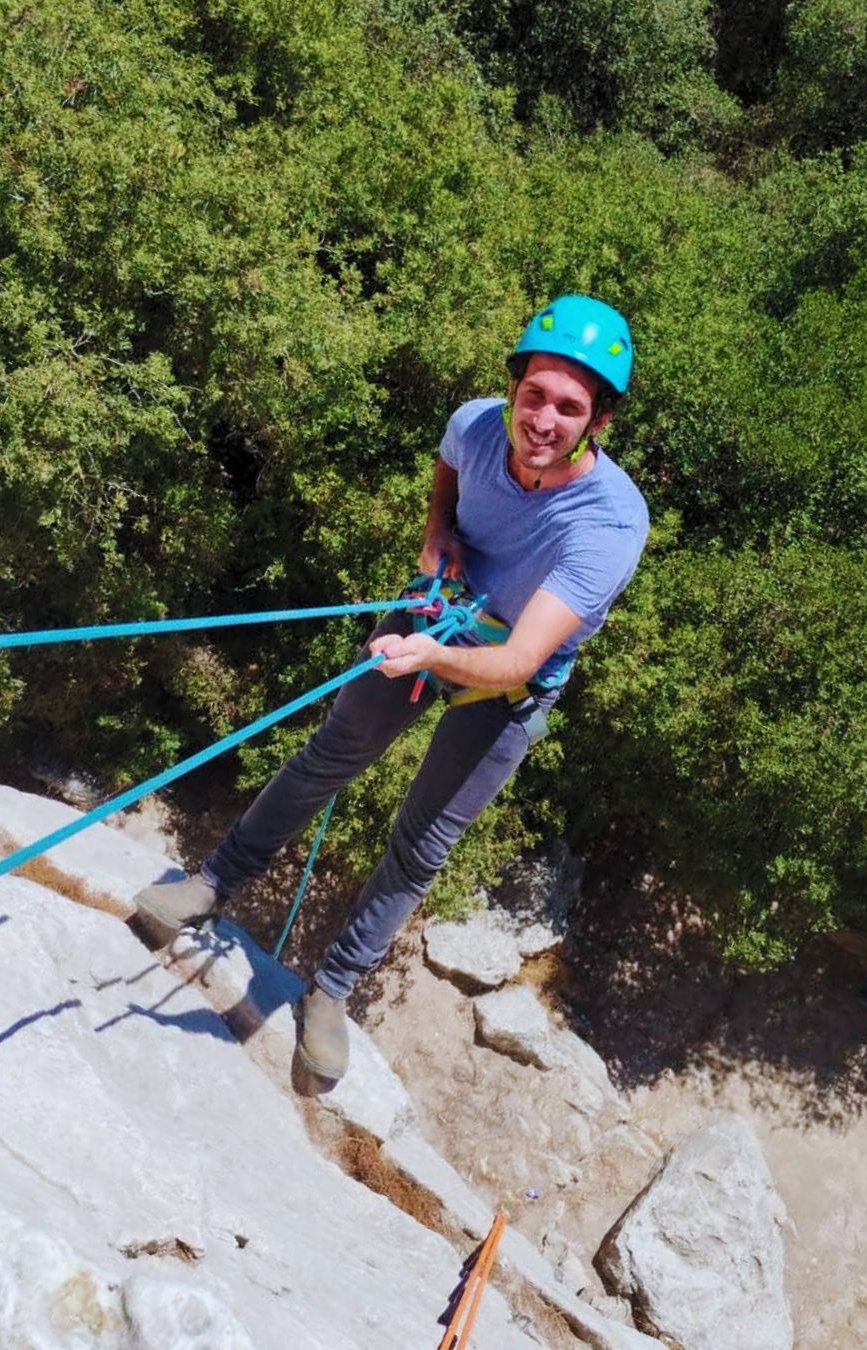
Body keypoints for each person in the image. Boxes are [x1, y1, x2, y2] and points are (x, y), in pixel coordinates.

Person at [134, 294, 650, 1081]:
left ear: (598, 424)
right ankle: (211, 884)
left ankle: (330, 992)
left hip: (507, 680)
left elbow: (515, 661)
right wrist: (438, 533)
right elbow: (449, 471)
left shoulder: (609, 523)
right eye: (534, 396)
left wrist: (427, 658)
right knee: (331, 754)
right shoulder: (478, 424)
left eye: (569, 408)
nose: (543, 420)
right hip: (436, 610)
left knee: (421, 845)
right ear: (513, 390)